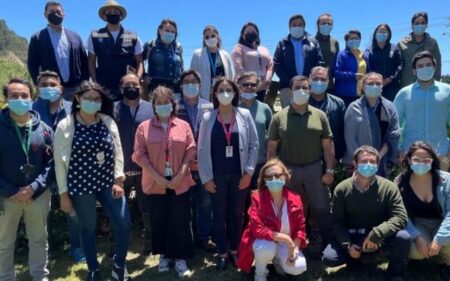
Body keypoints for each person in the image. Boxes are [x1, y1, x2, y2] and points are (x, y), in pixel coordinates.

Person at [54, 81, 132, 281]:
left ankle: (119, 266)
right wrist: (64, 194)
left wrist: (119, 179)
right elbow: (59, 164)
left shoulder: (107, 120)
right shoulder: (66, 125)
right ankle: (93, 269)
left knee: (123, 224)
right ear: (78, 99)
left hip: (108, 183)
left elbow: (118, 151)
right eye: (88, 98)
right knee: (88, 228)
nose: (93, 102)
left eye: (97, 99)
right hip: (81, 186)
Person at [132, 86, 195, 278]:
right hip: (154, 181)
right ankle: (165, 256)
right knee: (159, 219)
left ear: (172, 104)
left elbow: (191, 150)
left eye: (166, 102)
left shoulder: (183, 125)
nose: (163, 106)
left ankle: (180, 257)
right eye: (158, 103)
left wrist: (179, 175)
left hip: (180, 180)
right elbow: (139, 154)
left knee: (180, 219)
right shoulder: (144, 127)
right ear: (153, 106)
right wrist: (158, 177)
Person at [322, 145, 410, 281]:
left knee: (403, 237)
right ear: (355, 164)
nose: (368, 165)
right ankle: (355, 257)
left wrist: (377, 234)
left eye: (372, 162)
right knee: (329, 258)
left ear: (377, 164)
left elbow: (400, 217)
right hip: (352, 234)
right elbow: (336, 222)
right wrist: (348, 245)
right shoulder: (342, 189)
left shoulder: (389, 187)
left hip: (378, 237)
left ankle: (395, 275)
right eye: (363, 162)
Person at [197, 78, 259, 270]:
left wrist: (249, 172)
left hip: (239, 175)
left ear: (234, 93)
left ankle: (235, 249)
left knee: (237, 214)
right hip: (216, 176)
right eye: (221, 90)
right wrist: (206, 178)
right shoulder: (207, 117)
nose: (225, 93)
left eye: (228, 89)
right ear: (215, 94)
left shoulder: (245, 115)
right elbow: (201, 149)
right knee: (219, 214)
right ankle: (222, 252)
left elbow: (254, 144)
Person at [267, 75, 335, 246]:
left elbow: (328, 146)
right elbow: (271, 149)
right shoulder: (279, 117)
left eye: (305, 87)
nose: (301, 91)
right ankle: (294, 243)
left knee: (322, 207)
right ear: (290, 91)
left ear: (310, 90)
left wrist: (329, 171)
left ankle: (328, 242)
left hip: (314, 168)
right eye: (297, 88)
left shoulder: (319, 115)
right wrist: (273, 174)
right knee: (292, 209)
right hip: (288, 170)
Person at [0, 78, 54, 281]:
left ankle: (39, 275)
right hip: (6, 197)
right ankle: (5, 277)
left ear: (32, 98)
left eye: (24, 95)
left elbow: (51, 164)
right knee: (4, 241)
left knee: (39, 238)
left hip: (37, 195)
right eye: (14, 96)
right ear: (6, 98)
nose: (20, 99)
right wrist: (12, 191)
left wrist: (33, 188)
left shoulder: (45, 129)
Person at [32, 70, 85, 263]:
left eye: (53, 85)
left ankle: (77, 248)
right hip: (40, 169)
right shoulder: (31, 110)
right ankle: (46, 248)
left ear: (61, 88)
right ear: (38, 88)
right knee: (42, 212)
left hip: (69, 167)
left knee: (72, 210)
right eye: (44, 85)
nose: (49, 88)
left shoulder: (74, 108)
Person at [237, 159, 307, 281]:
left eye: (277, 175)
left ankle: (278, 261)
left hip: (285, 244)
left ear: (285, 176)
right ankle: (260, 274)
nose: (273, 179)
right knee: (265, 247)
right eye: (269, 177)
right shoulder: (256, 197)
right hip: (265, 242)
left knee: (299, 267)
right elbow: (258, 229)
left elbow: (300, 228)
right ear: (264, 180)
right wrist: (286, 238)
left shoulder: (295, 198)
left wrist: (294, 249)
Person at [395, 141, 450, 280]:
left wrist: (439, 239)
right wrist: (416, 237)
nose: (421, 163)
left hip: (442, 223)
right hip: (418, 224)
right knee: (412, 248)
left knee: (446, 243)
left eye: (426, 160)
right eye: (416, 159)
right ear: (408, 159)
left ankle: (445, 261)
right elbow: (399, 214)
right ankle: (418, 257)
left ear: (432, 161)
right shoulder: (400, 182)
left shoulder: (446, 180)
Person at [113, 72, 154, 255]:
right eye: (127, 84)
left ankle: (150, 243)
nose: (131, 87)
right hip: (119, 169)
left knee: (147, 209)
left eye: (135, 84)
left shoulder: (151, 108)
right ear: (121, 88)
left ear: (141, 87)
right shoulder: (112, 109)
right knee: (118, 210)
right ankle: (119, 246)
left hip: (145, 168)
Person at [176, 70, 215, 251]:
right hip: (182, 166)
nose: (190, 85)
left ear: (200, 85)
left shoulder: (209, 106)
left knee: (205, 203)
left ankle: (204, 238)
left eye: (194, 81)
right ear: (181, 85)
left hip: (204, 166)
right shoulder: (174, 107)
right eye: (186, 81)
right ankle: (186, 238)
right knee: (183, 204)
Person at [394, 51, 450, 171]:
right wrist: (398, 149)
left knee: (440, 189)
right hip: (410, 155)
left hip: (441, 154)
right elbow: (395, 124)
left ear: (435, 67)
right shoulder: (404, 93)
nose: (425, 68)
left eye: (428, 65)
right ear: (414, 70)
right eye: (420, 66)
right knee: (410, 189)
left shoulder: (447, 91)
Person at [28, 1, 88, 100]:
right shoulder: (37, 37)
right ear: (45, 15)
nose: (55, 14)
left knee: (73, 115)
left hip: (75, 89)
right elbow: (32, 64)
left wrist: (83, 84)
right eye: (51, 12)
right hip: (50, 89)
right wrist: (39, 84)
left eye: (58, 11)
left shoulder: (75, 36)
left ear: (63, 14)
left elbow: (84, 62)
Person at [343, 72, 400, 177]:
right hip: (357, 163)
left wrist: (377, 157)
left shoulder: (390, 107)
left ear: (382, 86)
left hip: (381, 162)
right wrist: (360, 160)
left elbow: (394, 134)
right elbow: (349, 137)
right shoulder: (354, 107)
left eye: (378, 83)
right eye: (370, 83)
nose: (374, 86)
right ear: (363, 86)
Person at [87, 0, 144, 101]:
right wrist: (95, 81)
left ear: (121, 15)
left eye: (115, 12)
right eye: (109, 12)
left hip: (126, 86)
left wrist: (137, 79)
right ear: (105, 16)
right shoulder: (95, 35)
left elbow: (140, 61)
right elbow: (91, 61)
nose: (112, 14)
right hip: (104, 86)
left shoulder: (133, 36)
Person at [274, 14, 324, 108]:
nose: (297, 27)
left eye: (300, 24)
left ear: (304, 26)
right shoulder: (282, 43)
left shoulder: (313, 42)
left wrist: (310, 81)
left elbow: (319, 63)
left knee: (310, 115)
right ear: (289, 27)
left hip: (308, 87)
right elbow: (277, 64)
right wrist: (290, 82)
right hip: (287, 87)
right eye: (294, 25)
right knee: (289, 117)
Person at [238, 72, 272, 189]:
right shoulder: (234, 109)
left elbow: (272, 135)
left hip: (261, 163)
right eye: (245, 84)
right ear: (239, 87)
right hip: (240, 165)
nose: (249, 87)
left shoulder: (265, 108)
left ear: (257, 87)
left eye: (253, 84)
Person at [308, 66, 346, 162]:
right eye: (315, 79)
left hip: (330, 157)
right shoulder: (299, 102)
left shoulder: (338, 103)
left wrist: (337, 156)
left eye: (323, 79)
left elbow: (343, 132)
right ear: (309, 80)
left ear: (328, 81)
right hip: (305, 158)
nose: (319, 82)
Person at [231, 22, 274, 102]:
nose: (251, 34)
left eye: (253, 32)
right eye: (248, 32)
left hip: (263, 89)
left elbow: (270, 66)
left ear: (257, 34)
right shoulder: (239, 48)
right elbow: (238, 68)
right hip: (246, 89)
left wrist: (267, 80)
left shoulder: (264, 49)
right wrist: (251, 83)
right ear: (243, 35)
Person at [398, 12, 442, 88]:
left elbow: (437, 63)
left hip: (428, 83)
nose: (420, 25)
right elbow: (398, 65)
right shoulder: (402, 43)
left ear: (426, 25)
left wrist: (436, 81)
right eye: (417, 23)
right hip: (407, 83)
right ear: (412, 26)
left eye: (423, 23)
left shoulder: (433, 42)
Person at [190, 25, 234, 101]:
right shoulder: (197, 54)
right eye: (207, 37)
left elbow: (230, 75)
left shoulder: (225, 54)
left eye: (213, 36)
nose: (210, 38)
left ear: (217, 37)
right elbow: (193, 76)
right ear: (204, 39)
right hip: (204, 95)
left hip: (222, 93)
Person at [144, 19, 184, 97]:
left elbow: (181, 67)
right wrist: (144, 75)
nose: (170, 33)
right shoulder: (150, 45)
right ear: (160, 30)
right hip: (156, 89)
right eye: (167, 30)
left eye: (173, 32)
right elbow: (138, 62)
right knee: (158, 108)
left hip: (175, 89)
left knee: (175, 109)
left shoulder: (178, 47)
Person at [364, 24, 403, 101]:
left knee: (391, 109)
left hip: (392, 86)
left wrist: (390, 78)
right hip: (375, 86)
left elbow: (400, 64)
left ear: (388, 35)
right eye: (380, 31)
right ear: (375, 34)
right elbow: (367, 68)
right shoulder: (369, 50)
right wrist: (376, 80)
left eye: (384, 32)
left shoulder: (394, 48)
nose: (382, 33)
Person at [334, 30, 370, 107]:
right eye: (351, 38)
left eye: (356, 38)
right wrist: (353, 76)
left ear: (360, 40)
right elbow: (336, 73)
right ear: (346, 41)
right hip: (345, 94)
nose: (354, 40)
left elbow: (368, 72)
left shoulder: (364, 55)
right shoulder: (341, 55)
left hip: (361, 94)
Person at [315, 13, 339, 94]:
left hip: (330, 85)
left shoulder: (335, 42)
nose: (326, 25)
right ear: (318, 25)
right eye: (323, 23)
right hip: (314, 84)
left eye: (329, 24)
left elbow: (337, 64)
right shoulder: (310, 41)